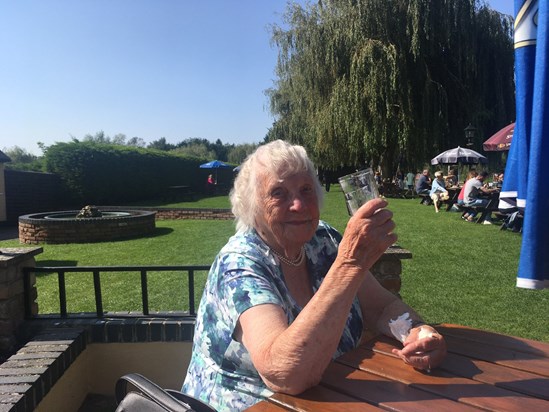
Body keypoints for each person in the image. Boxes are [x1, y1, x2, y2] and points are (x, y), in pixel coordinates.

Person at [182, 140, 446, 410]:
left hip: (329, 396)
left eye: (306, 190)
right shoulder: (239, 264)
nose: (298, 204)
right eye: (279, 193)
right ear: (253, 207)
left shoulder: (324, 240)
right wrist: (350, 264)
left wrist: (417, 333)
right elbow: (284, 374)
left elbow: (382, 307)